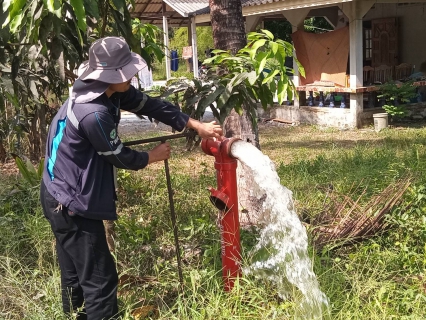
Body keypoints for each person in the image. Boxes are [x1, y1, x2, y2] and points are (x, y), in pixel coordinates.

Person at [40, 36, 223, 320]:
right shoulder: (94, 113)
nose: (133, 76)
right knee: (100, 281)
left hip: (56, 191)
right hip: (70, 204)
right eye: (126, 72)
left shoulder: (106, 91)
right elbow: (117, 154)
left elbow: (148, 104)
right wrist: (152, 156)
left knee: (75, 273)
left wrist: (194, 124)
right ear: (110, 76)